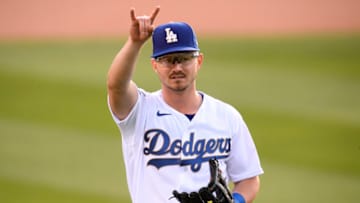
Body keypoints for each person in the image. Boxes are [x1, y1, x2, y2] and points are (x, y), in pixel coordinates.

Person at [107, 6, 263, 203]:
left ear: (199, 61)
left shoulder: (227, 116)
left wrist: (235, 202)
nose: (177, 67)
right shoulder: (139, 111)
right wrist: (134, 43)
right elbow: (116, 86)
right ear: (155, 65)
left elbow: (248, 179)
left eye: (184, 59)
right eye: (168, 60)